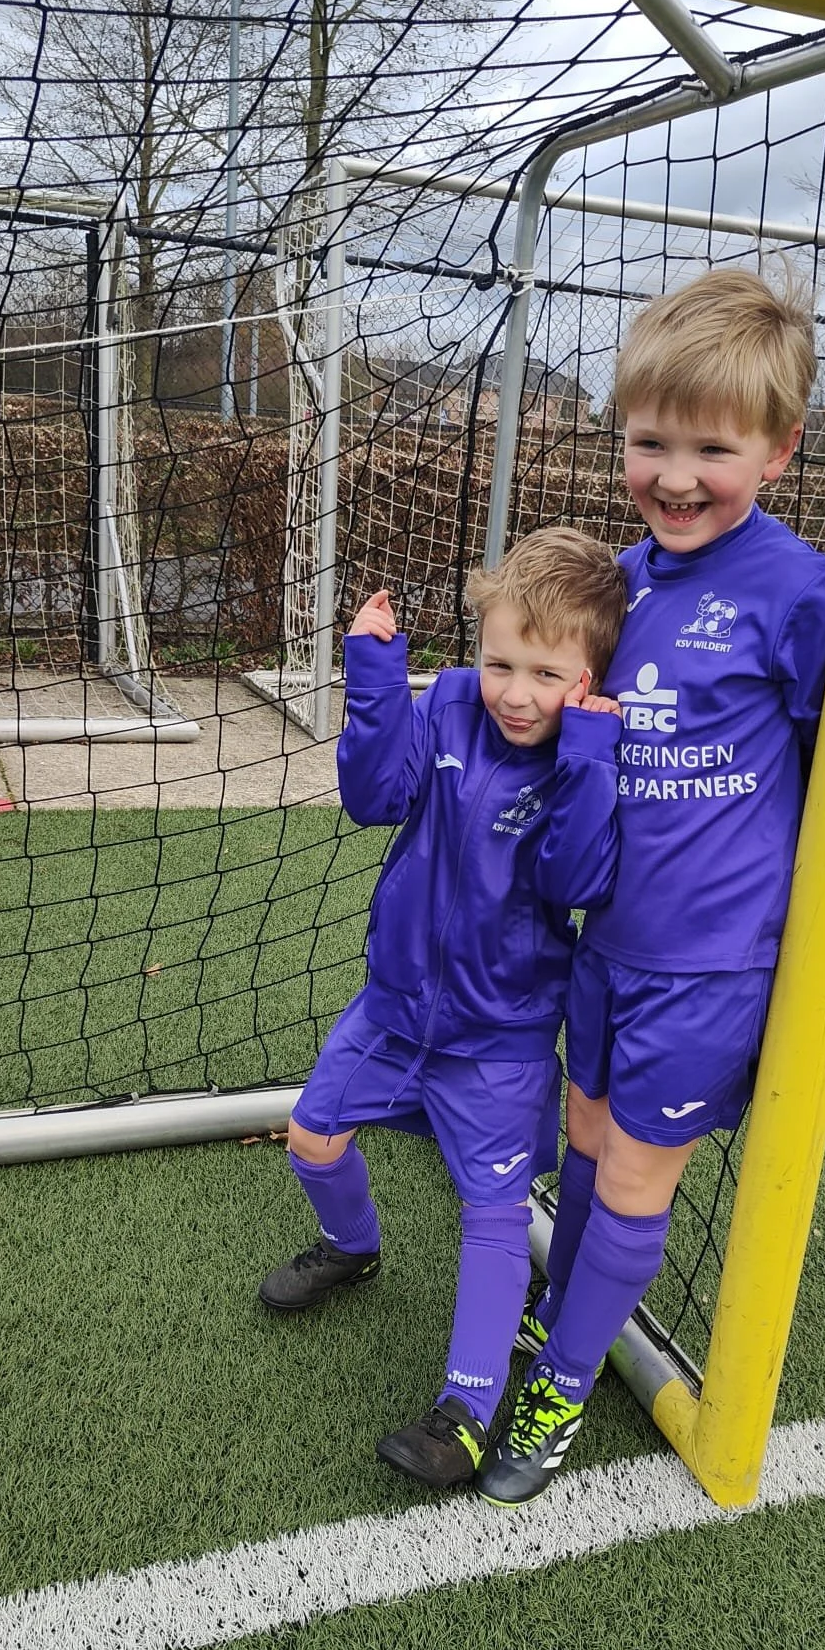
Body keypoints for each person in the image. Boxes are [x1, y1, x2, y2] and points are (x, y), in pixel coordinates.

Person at [474, 267, 825, 1508]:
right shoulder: (623, 584)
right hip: (604, 944)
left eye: (712, 447)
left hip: (708, 966)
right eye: (650, 440)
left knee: (636, 1177)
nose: (676, 474)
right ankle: (558, 1322)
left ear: (780, 450)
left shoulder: (801, 595)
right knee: (580, 1147)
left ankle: (562, 1385)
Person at [257, 527, 627, 1490]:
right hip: (390, 1011)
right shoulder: (456, 704)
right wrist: (377, 676)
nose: (514, 691)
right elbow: (374, 797)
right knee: (311, 1139)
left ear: (587, 678)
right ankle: (354, 1247)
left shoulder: (583, 753)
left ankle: (467, 1409)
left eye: (546, 675)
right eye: (499, 661)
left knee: (495, 1216)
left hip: (497, 1043)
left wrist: (588, 750)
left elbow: (578, 877)